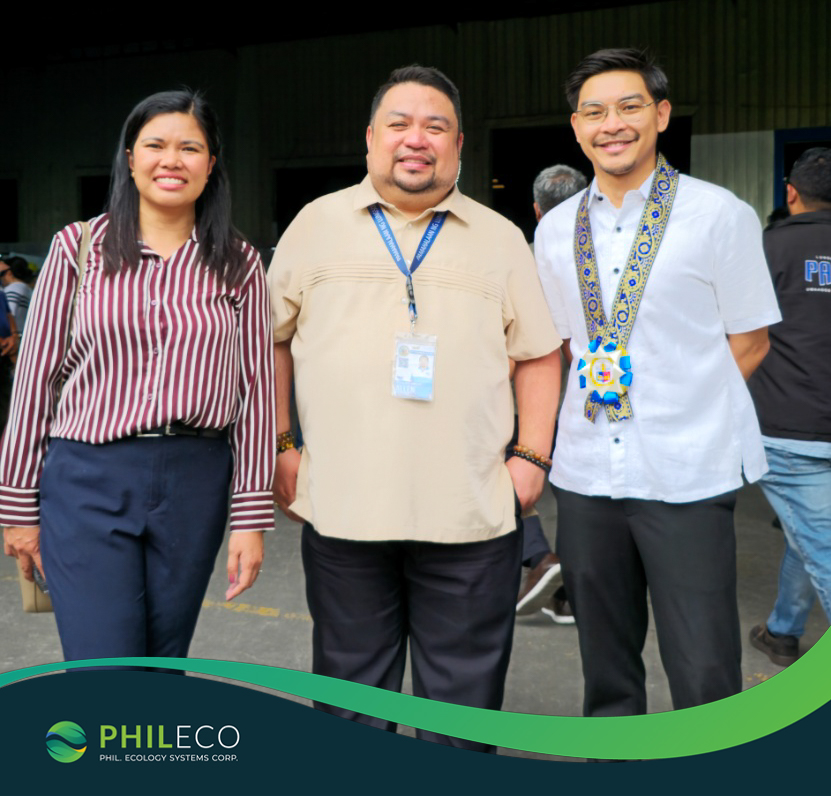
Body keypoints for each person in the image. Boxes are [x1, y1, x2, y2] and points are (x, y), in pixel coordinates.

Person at [269, 65, 561, 753]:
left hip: (468, 515)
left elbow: (540, 355)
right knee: (350, 698)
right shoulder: (315, 225)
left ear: (458, 145)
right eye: (399, 124)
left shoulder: (499, 237)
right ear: (371, 138)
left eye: (435, 127)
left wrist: (531, 457)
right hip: (344, 511)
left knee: (462, 710)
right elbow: (269, 341)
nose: (415, 139)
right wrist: (282, 444)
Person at [535, 48, 781, 721]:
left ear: (661, 114)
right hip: (586, 474)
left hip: (686, 474)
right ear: (577, 127)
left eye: (629, 106)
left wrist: (683, 404)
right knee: (605, 662)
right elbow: (564, 344)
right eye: (594, 112)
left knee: (703, 665)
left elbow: (751, 340)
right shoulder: (555, 230)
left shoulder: (718, 214)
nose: (611, 124)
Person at [0, 89, 275, 670]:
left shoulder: (240, 264)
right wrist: (18, 507)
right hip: (87, 478)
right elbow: (35, 383)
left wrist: (250, 519)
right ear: (130, 158)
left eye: (190, 148)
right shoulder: (78, 249)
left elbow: (255, 396)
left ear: (211, 163)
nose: (171, 160)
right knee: (104, 666)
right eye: (155, 145)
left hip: (195, 482)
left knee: (161, 664)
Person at [747, 147, 831, 667]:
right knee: (812, 530)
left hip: (789, 427)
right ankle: (782, 630)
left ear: (791, 193)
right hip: (807, 426)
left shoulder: (765, 249)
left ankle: (783, 630)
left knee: (820, 542)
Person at [516, 163, 588, 622]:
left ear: (537, 210)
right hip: (596, 395)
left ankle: (539, 557)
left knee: (503, 477)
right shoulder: (616, 255)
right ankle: (574, 594)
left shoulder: (522, 257)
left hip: (530, 395)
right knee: (581, 498)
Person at [0, 255, 34, 332]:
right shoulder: (27, 289)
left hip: (12, 334)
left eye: (1, 274)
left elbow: (7, 316)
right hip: (22, 332)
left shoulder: (13, 289)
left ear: (9, 273)